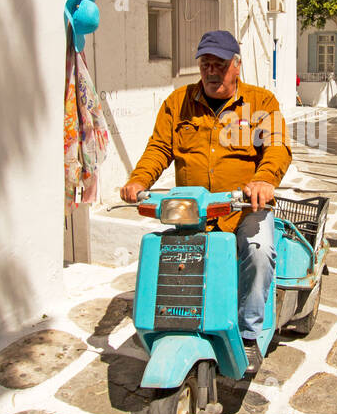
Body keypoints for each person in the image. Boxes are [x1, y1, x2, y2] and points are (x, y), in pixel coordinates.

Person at [120, 30, 291, 362]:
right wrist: (139, 180)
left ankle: (249, 332)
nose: (212, 72)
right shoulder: (177, 102)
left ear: (237, 66)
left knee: (259, 251)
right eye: (205, 64)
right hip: (194, 210)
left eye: (220, 64)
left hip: (243, 207)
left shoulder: (261, 102)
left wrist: (263, 180)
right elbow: (159, 148)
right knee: (173, 260)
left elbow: (277, 146)